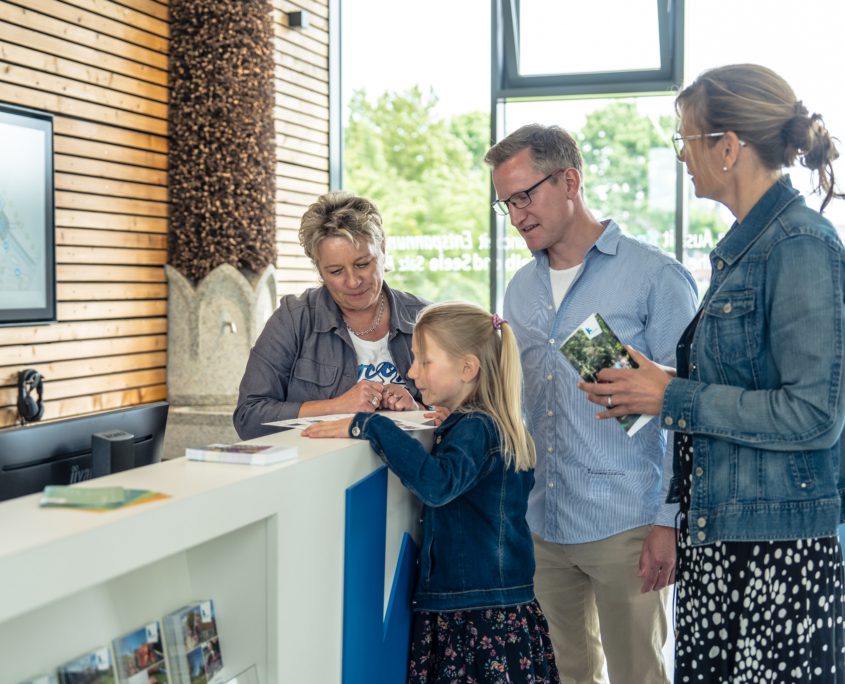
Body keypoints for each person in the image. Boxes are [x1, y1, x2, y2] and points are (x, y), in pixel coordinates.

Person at [579, 63, 845, 681]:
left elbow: (815, 415)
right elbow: (748, 381)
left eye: (685, 141)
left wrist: (674, 395)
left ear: (727, 147)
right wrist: (658, 385)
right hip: (724, 543)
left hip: (775, 555)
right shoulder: (747, 248)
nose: (681, 158)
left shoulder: (800, 244)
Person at [484, 124, 698, 683]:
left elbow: (688, 413)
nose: (515, 216)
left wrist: (668, 522)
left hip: (627, 524)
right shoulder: (518, 291)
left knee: (638, 676)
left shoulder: (655, 278)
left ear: (570, 180)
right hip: (543, 523)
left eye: (524, 196)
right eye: (506, 203)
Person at [302, 301, 561, 683]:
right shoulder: (483, 424)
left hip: (474, 612)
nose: (410, 371)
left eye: (424, 361)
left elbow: (437, 484)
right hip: (489, 606)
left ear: (467, 369)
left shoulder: (476, 429)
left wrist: (370, 425)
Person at [233, 191, 428, 440]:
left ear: (382, 248)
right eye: (336, 271)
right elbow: (248, 418)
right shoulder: (294, 319)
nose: (353, 281)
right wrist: (336, 406)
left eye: (362, 264)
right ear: (319, 270)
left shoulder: (425, 318)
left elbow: (467, 415)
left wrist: (418, 409)